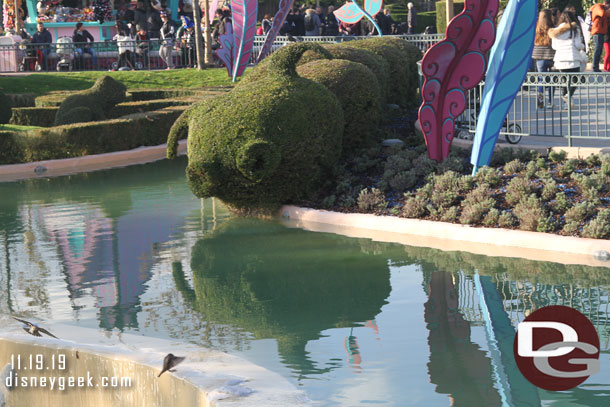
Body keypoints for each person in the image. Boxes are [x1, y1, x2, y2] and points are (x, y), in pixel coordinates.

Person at [550, 10, 586, 107]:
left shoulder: (555, 31)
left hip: (560, 60)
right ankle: (568, 96)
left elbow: (554, 47)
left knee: (564, 82)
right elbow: (578, 44)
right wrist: (583, 46)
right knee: (575, 80)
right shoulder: (575, 29)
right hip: (573, 58)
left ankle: (566, 102)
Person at [532, 9, 556, 109]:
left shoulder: (536, 29)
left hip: (539, 57)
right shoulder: (552, 28)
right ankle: (550, 102)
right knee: (552, 80)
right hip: (551, 56)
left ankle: (540, 102)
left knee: (541, 80)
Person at [589, 0, 610, 72]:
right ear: (606, 4)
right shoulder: (598, 7)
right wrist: (607, 12)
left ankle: (596, 67)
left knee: (599, 50)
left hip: (601, 32)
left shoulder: (604, 9)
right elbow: (602, 13)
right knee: (597, 50)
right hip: (597, 32)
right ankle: (595, 67)